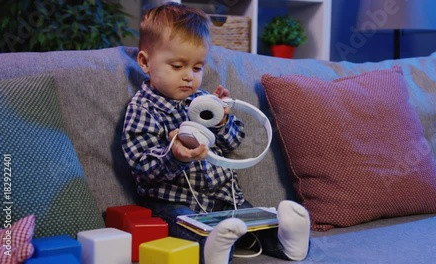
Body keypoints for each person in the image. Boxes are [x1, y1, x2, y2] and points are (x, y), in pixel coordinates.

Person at [121, 3, 310, 263]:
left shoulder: (202, 101)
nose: (189, 77)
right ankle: (212, 249)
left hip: (223, 197)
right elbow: (141, 166)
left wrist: (222, 122)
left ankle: (288, 241)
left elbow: (234, 141)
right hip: (174, 202)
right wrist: (174, 155)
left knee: (252, 219)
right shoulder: (143, 108)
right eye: (177, 66)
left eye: (197, 68)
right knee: (181, 225)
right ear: (145, 62)